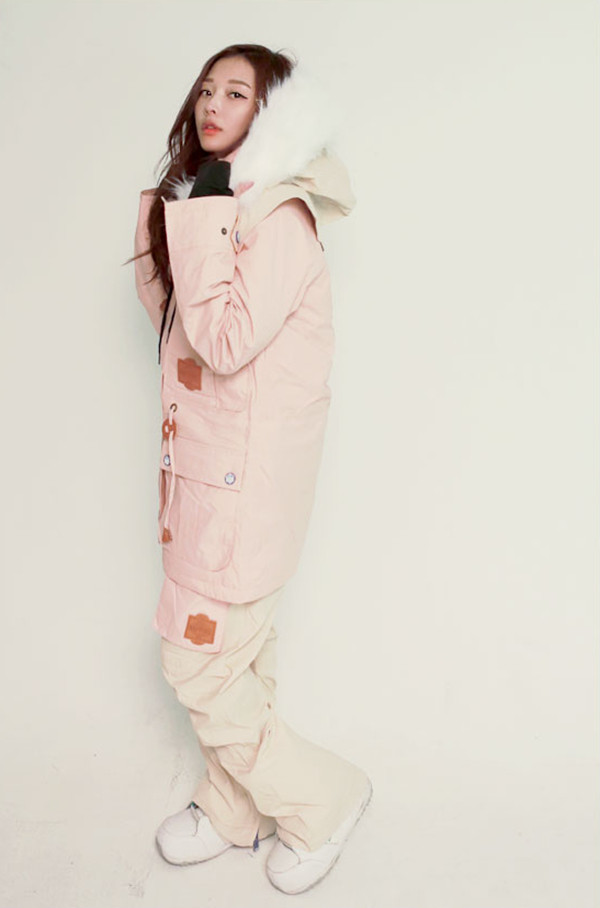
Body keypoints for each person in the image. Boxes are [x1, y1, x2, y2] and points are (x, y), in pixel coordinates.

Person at [128, 43, 372, 895]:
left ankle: (324, 799)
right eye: (206, 88)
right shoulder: (223, 202)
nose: (212, 103)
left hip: (241, 489)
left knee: (196, 662)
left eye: (237, 92)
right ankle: (235, 809)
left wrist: (196, 217)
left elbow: (224, 344)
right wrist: (174, 221)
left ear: (272, 113)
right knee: (240, 657)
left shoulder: (278, 219)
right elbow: (182, 335)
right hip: (211, 476)